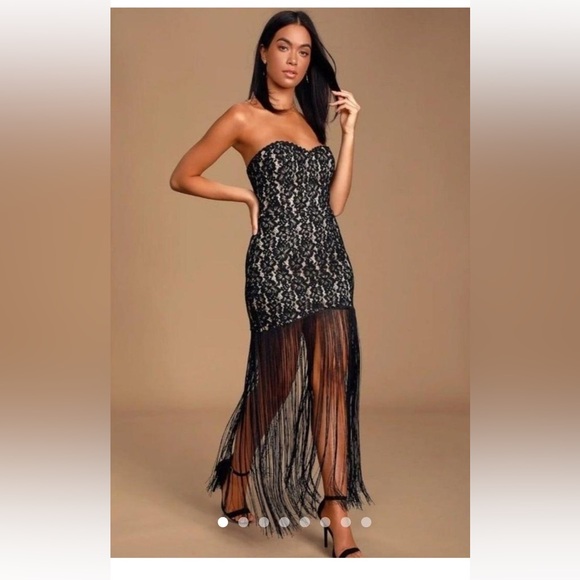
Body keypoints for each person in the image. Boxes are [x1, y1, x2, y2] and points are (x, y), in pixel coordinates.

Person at [169, 10, 373, 558]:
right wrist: (244, 194)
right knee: (276, 383)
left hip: (328, 262)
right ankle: (237, 471)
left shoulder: (311, 121)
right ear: (264, 52)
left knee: (332, 379)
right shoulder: (242, 116)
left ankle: (335, 509)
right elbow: (182, 175)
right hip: (275, 266)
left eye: (304, 52)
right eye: (284, 47)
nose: (294, 60)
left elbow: (334, 205)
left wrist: (349, 134)